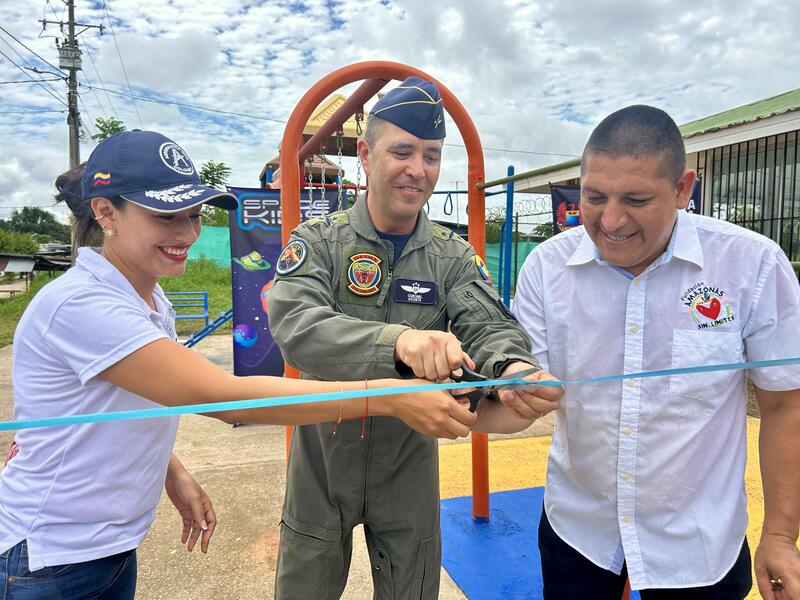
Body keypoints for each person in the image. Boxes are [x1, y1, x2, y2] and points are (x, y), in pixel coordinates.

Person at [0, 130, 477, 599]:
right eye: (167, 216)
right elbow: (228, 398)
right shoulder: (84, 306)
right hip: (51, 557)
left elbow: (123, 401)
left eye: (193, 214)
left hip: (106, 545)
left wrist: (172, 470)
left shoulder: (147, 297)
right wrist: (389, 396)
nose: (187, 233)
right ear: (107, 213)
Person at [267, 76, 562, 600]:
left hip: (408, 467)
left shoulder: (452, 256)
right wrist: (401, 342)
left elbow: (488, 325)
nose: (418, 170)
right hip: (322, 463)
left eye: (431, 155)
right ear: (365, 153)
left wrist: (515, 370)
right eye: (402, 151)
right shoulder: (318, 242)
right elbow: (298, 328)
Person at [503, 105, 800, 599]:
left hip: (699, 543)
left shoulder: (752, 266)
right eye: (594, 197)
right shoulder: (546, 268)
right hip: (579, 528)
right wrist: (485, 389)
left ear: (683, 189)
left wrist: (780, 536)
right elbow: (517, 391)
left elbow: (785, 403)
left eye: (636, 199)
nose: (611, 220)